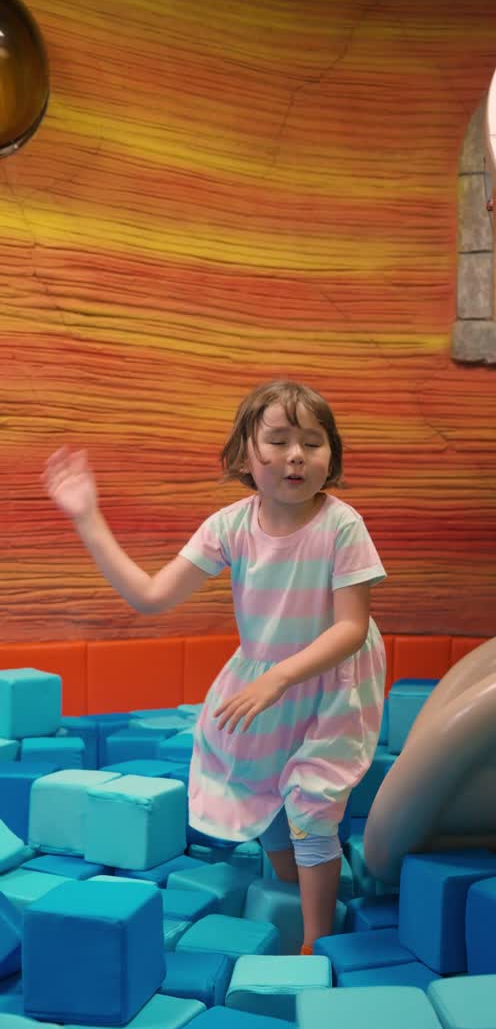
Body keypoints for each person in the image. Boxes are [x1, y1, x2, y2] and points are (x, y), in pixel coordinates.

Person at [44, 379, 387, 952]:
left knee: (311, 800)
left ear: (333, 456)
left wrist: (281, 677)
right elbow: (151, 596)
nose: (296, 454)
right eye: (277, 440)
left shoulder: (341, 525)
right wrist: (87, 518)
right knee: (261, 789)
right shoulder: (231, 525)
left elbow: (350, 629)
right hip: (263, 676)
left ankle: (316, 941)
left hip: (332, 677)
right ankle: (287, 887)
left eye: (313, 441)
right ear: (244, 457)